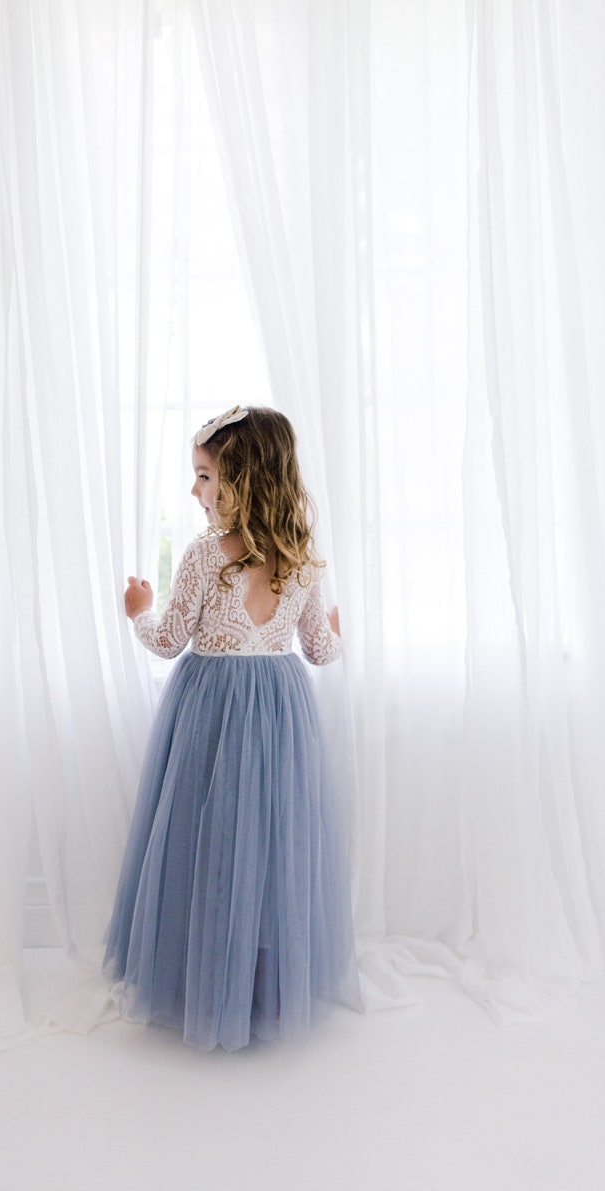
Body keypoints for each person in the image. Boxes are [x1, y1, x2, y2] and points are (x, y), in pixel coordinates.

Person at [103, 405, 361, 1050]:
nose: (195, 491)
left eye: (203, 475)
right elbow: (322, 654)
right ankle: (260, 982)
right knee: (267, 843)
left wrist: (137, 611)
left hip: (211, 709)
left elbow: (167, 641)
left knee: (206, 838)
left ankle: (204, 978)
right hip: (279, 712)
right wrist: (335, 628)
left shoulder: (202, 556)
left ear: (241, 479)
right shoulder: (302, 560)